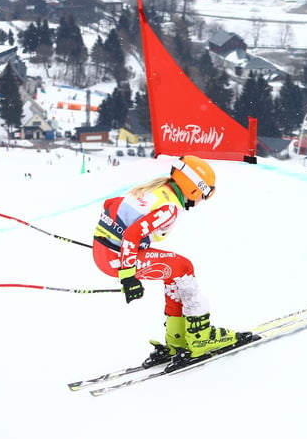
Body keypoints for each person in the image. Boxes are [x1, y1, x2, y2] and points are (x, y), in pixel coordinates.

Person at [92, 156, 255, 366]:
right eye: (204, 195)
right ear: (194, 188)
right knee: (183, 267)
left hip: (106, 252)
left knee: (174, 269)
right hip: (119, 258)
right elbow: (132, 235)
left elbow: (110, 206)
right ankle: (200, 336)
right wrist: (128, 276)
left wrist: (106, 240)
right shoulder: (168, 207)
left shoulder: (152, 190)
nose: (201, 202)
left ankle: (177, 339)